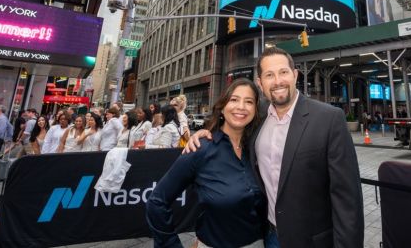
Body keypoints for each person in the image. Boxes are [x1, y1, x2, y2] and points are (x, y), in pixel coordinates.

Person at [188, 47, 364, 247]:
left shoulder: (329, 118)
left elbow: (347, 199)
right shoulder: (258, 116)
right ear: (260, 83)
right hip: (267, 235)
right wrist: (207, 133)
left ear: (295, 75)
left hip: (312, 241)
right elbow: (232, 129)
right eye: (269, 75)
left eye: (283, 72)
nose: (278, 81)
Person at [147, 79, 265, 248]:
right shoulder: (201, 148)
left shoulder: (256, 147)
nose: (241, 106)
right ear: (222, 106)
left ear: (255, 109)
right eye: (234, 99)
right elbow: (156, 202)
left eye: (249, 102)